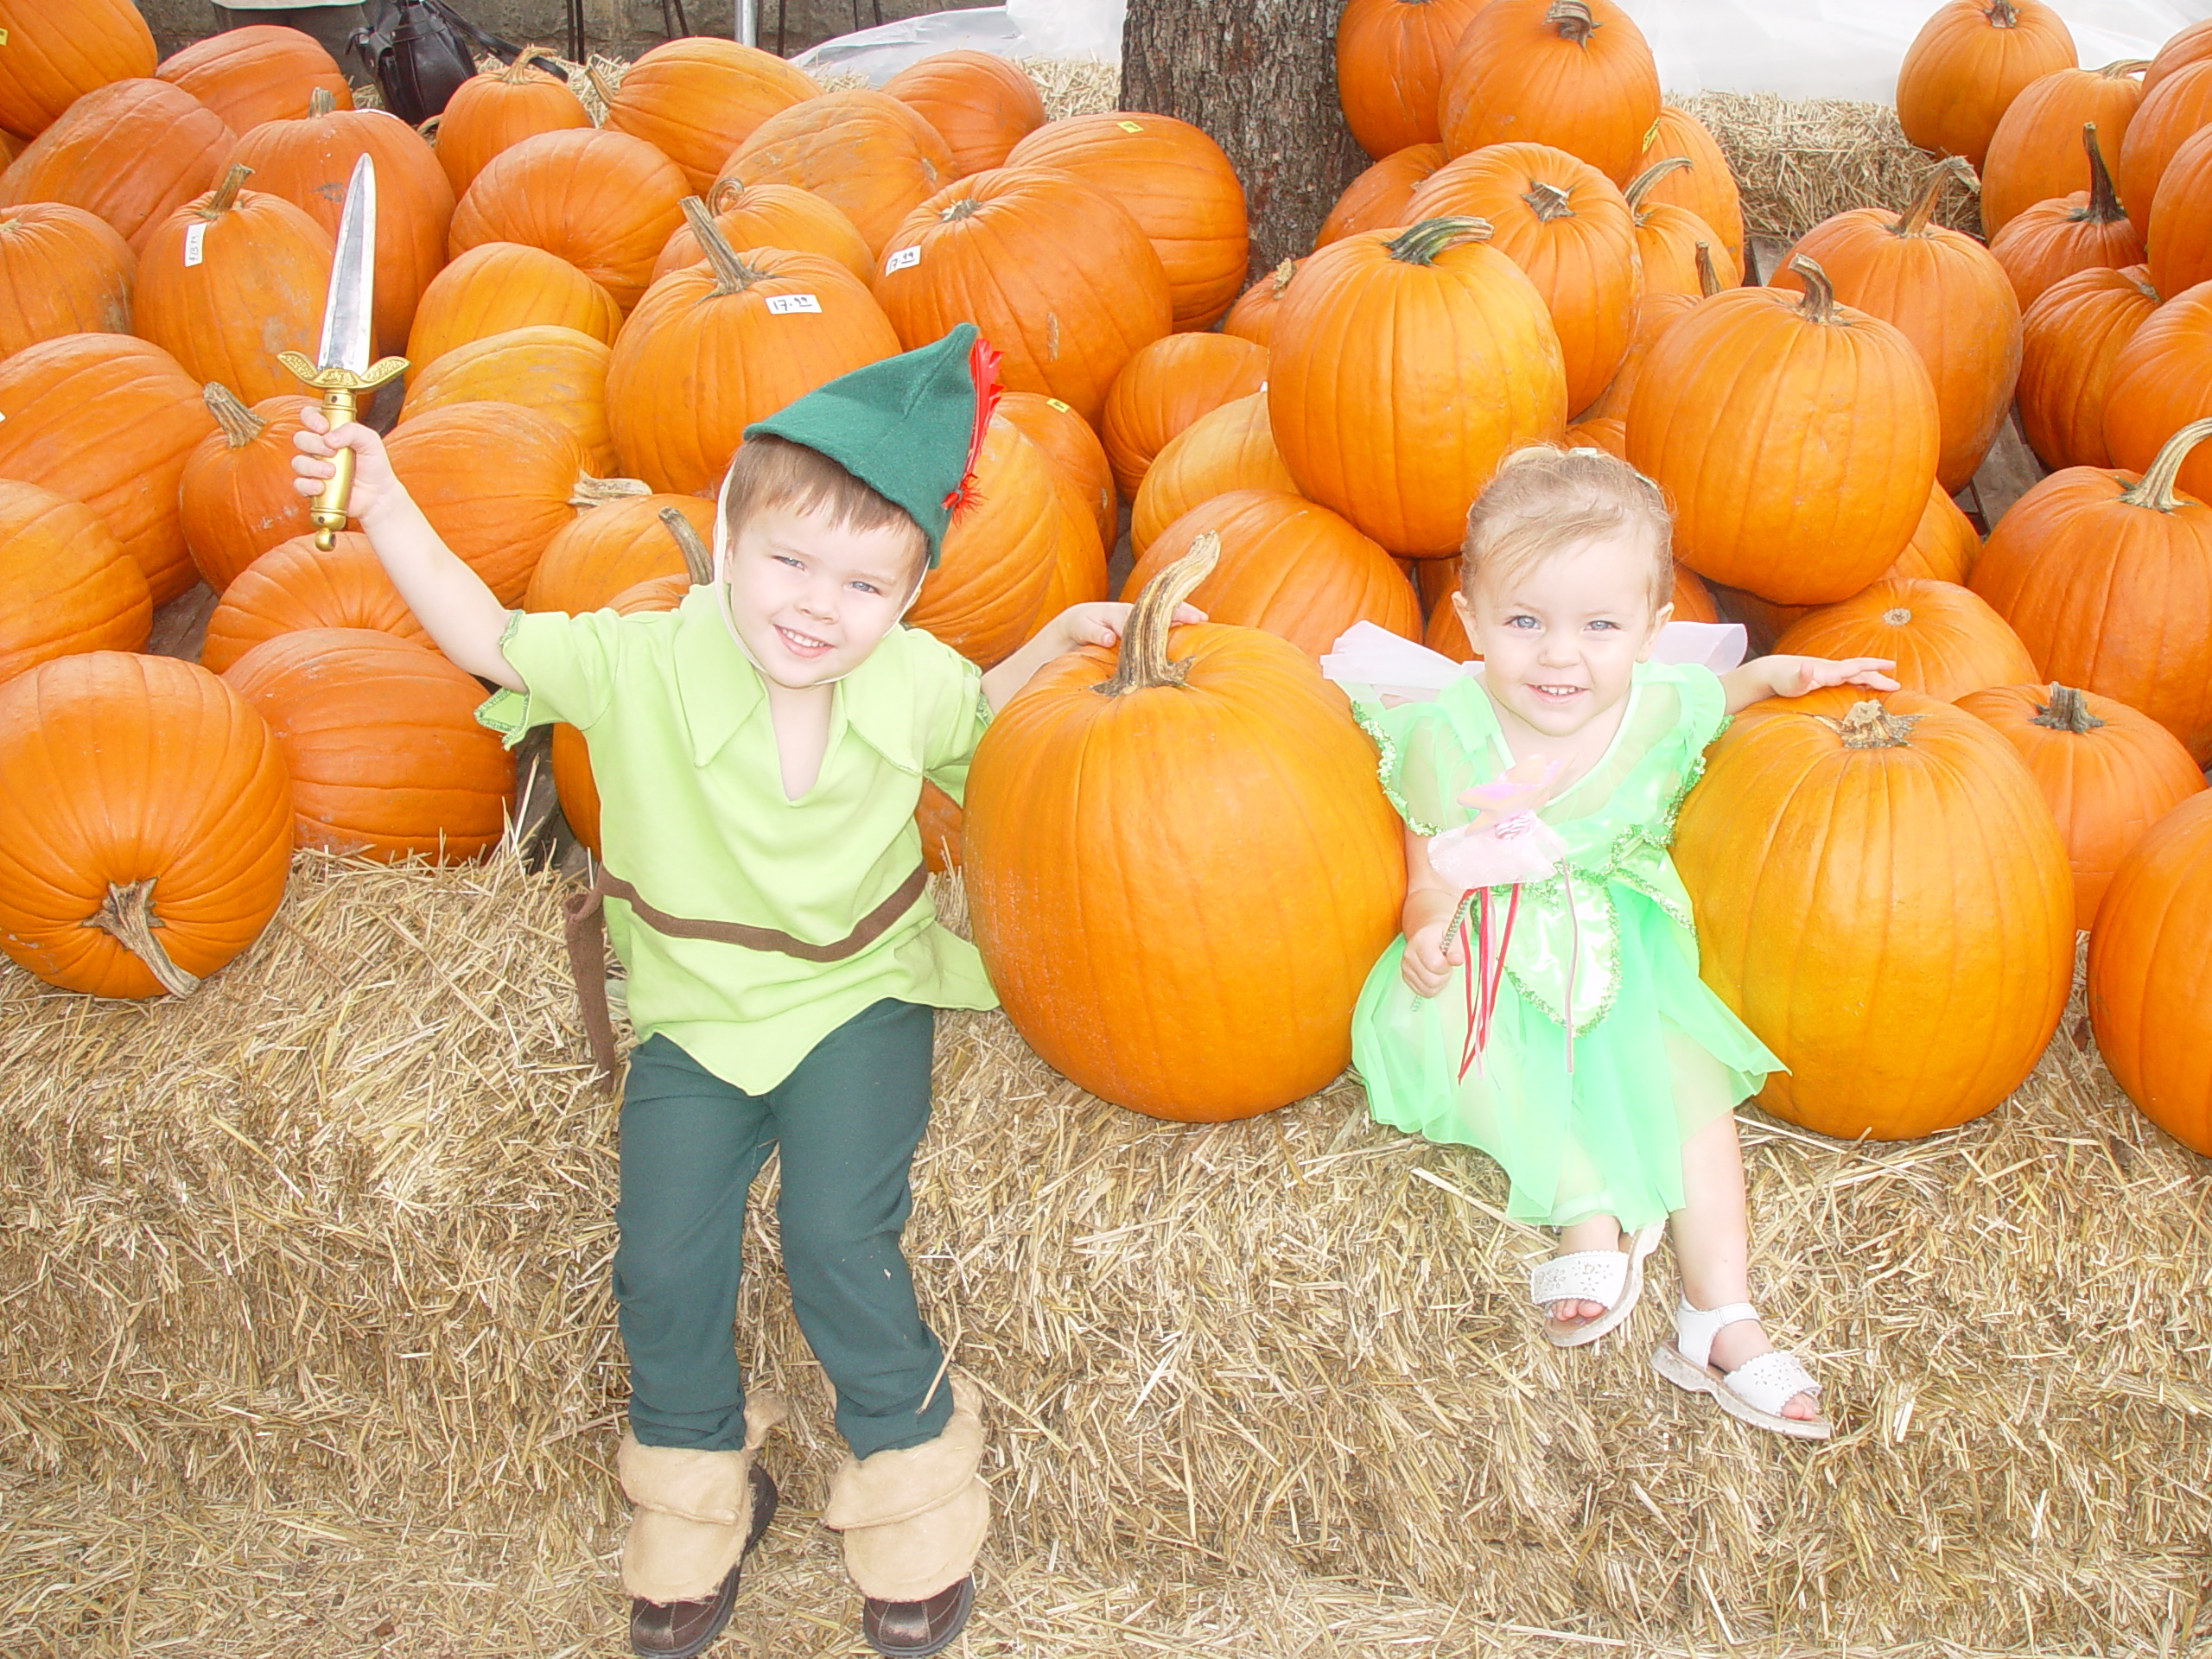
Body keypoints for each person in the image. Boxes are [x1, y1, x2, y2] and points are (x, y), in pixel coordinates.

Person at [292, 326, 1193, 1659]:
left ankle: (910, 1475)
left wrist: (1062, 637)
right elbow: (488, 636)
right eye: (788, 561)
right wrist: (380, 499)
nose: (819, 606)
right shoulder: (643, 663)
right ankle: (697, 1483)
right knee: (659, 1259)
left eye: (867, 586)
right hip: (701, 1013)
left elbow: (997, 731)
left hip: (857, 1000)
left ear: (907, 598)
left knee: (838, 1234)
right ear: (727, 527)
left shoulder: (911, 678)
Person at [1321, 445, 1897, 1442]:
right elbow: (1430, 875)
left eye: (1598, 627)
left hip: (1621, 943)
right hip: (1494, 942)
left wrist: (1801, 671)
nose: (1559, 657)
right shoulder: (1443, 735)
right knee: (1479, 1053)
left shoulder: (1659, 705)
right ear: (1467, 621)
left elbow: (1739, 689)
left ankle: (1721, 1313)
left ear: (1650, 633)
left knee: (1685, 1085)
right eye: (1524, 622)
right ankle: (1582, 1203)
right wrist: (1426, 936)